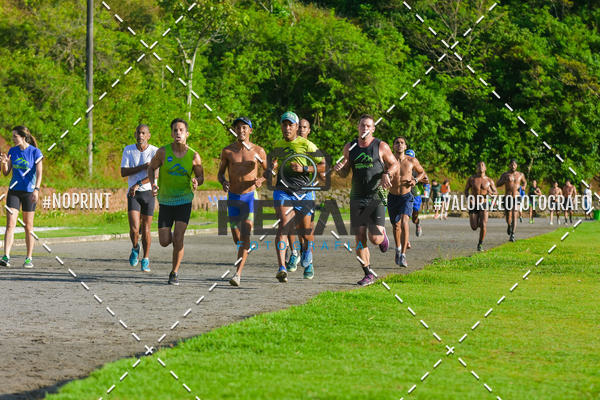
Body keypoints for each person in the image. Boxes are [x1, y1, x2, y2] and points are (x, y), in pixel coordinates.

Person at [334, 114, 399, 285]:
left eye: (368, 126)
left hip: (376, 196)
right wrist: (339, 169)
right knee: (359, 236)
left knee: (375, 239)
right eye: (362, 125)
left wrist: (387, 174)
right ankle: (368, 273)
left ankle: (383, 236)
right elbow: (345, 173)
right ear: (358, 127)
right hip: (357, 196)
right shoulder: (350, 147)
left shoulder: (381, 146)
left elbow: (395, 164)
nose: (365, 128)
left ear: (373, 129)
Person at [147, 118, 204, 285]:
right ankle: (177, 239)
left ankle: (174, 272)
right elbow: (151, 168)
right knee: (164, 241)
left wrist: (197, 181)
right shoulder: (163, 152)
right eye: (175, 130)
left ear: (187, 134)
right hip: (165, 201)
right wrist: (153, 184)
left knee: (178, 237)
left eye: (181, 130)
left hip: (184, 200)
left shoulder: (194, 156)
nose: (178, 133)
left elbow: (201, 176)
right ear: (172, 134)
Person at [271, 111, 325, 283]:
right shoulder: (277, 145)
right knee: (284, 224)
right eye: (284, 124)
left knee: (305, 231)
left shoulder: (307, 144)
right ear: (281, 126)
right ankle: (282, 267)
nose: (287, 128)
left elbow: (324, 165)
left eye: (291, 125)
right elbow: (272, 165)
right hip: (283, 190)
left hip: (303, 192)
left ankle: (307, 254)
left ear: (296, 127)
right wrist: (271, 167)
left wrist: (304, 169)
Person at [217, 117, 267, 287]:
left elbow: (269, 171)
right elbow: (220, 174)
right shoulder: (227, 151)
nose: (241, 130)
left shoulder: (258, 151)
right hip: (233, 197)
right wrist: (223, 182)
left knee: (245, 235)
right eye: (238, 127)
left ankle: (237, 274)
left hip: (250, 197)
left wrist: (261, 179)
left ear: (250, 130)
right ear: (235, 130)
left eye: (244, 127)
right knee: (237, 237)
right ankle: (244, 249)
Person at [0, 126, 43, 268]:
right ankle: (6, 256)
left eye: (15, 136)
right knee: (10, 224)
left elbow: (39, 173)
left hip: (29, 192)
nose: (13, 139)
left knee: (28, 226)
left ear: (23, 137)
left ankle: (29, 258)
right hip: (14, 191)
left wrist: (36, 190)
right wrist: (4, 164)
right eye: (12, 136)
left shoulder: (35, 152)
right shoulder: (12, 151)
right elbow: (6, 173)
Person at [121, 124, 158, 272]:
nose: (140, 136)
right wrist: (143, 167)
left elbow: (155, 174)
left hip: (148, 193)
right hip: (133, 194)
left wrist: (138, 184)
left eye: (143, 133)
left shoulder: (155, 151)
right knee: (135, 229)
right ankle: (135, 247)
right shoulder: (128, 150)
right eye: (138, 133)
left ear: (148, 136)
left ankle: (146, 259)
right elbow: (123, 172)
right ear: (135, 134)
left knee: (146, 229)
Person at [387, 142, 425, 267]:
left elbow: (422, 172)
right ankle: (398, 249)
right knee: (396, 226)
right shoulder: (388, 160)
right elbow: (381, 173)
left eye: (402, 143)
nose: (399, 145)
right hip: (392, 197)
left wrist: (416, 180)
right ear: (393, 146)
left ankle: (403, 255)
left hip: (406, 196)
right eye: (397, 143)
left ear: (405, 147)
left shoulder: (411, 160)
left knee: (404, 222)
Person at [464, 161, 497, 251]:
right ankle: (479, 221)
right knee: (474, 227)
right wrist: (469, 198)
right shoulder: (472, 179)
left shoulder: (489, 180)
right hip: (474, 204)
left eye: (482, 165)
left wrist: (491, 194)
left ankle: (480, 244)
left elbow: (495, 192)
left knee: (484, 224)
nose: (481, 167)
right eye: (479, 165)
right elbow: (466, 190)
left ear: (485, 168)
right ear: (476, 168)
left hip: (484, 203)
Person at [496, 160, 526, 241]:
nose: (513, 166)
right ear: (509, 166)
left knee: (515, 215)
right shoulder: (505, 175)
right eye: (512, 165)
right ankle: (509, 225)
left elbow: (524, 182)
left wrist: (524, 187)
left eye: (514, 165)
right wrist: (504, 181)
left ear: (517, 166)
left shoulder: (521, 174)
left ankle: (512, 235)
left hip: (517, 197)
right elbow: (498, 184)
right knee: (508, 215)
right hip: (508, 197)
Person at [405, 149, 428, 238]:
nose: (408, 159)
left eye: (410, 158)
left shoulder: (417, 169)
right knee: (403, 217)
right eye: (407, 157)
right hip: (404, 194)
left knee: (414, 218)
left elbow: (427, 180)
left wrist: (415, 179)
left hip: (415, 194)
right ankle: (404, 239)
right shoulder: (400, 166)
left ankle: (417, 223)